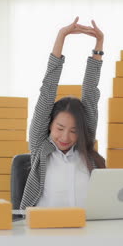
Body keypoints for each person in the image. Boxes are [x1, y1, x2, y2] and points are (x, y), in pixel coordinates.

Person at [20, 17, 106, 209]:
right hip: (44, 232)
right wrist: (61, 37)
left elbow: (90, 92)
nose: (65, 137)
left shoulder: (86, 152)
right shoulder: (41, 147)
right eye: (60, 128)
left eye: (74, 131)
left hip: (86, 231)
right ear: (49, 124)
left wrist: (99, 45)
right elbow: (48, 89)